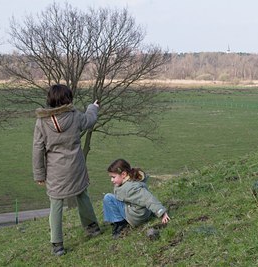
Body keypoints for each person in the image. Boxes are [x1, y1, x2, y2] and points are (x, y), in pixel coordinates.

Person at [32, 84, 101, 256]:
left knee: (56, 204)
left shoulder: (41, 122)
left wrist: (39, 174)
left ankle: (57, 245)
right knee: (82, 195)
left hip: (56, 171)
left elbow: (37, 149)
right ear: (68, 99)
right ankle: (92, 227)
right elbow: (90, 120)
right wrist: (93, 107)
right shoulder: (75, 116)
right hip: (76, 166)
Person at [103, 159, 170, 238]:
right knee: (113, 198)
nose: (112, 180)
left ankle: (120, 225)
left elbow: (148, 198)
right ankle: (118, 220)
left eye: (113, 177)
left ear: (123, 174)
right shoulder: (130, 180)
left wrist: (161, 212)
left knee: (108, 198)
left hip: (135, 217)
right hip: (139, 212)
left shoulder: (131, 188)